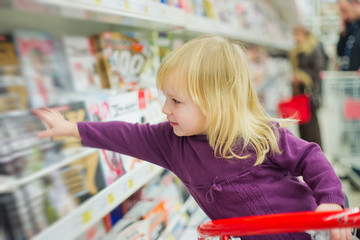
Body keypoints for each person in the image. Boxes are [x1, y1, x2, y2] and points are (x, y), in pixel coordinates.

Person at [33, 36, 351, 240]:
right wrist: (71, 129)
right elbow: (126, 135)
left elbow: (311, 157)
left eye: (176, 101)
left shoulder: (256, 133)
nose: (164, 109)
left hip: (312, 230)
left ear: (215, 102)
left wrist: (331, 203)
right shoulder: (171, 142)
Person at [289, 26, 328, 149]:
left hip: (311, 91)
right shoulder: (297, 50)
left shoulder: (314, 48)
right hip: (300, 92)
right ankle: (305, 149)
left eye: (298, 35)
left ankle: (316, 150)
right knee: (302, 123)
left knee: (312, 124)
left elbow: (319, 68)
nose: (296, 38)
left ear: (305, 35)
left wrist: (302, 76)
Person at [337, 0, 360, 71]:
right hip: (350, 78)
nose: (344, 16)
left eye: (345, 11)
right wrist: (343, 33)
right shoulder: (351, 26)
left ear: (355, 4)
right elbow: (340, 52)